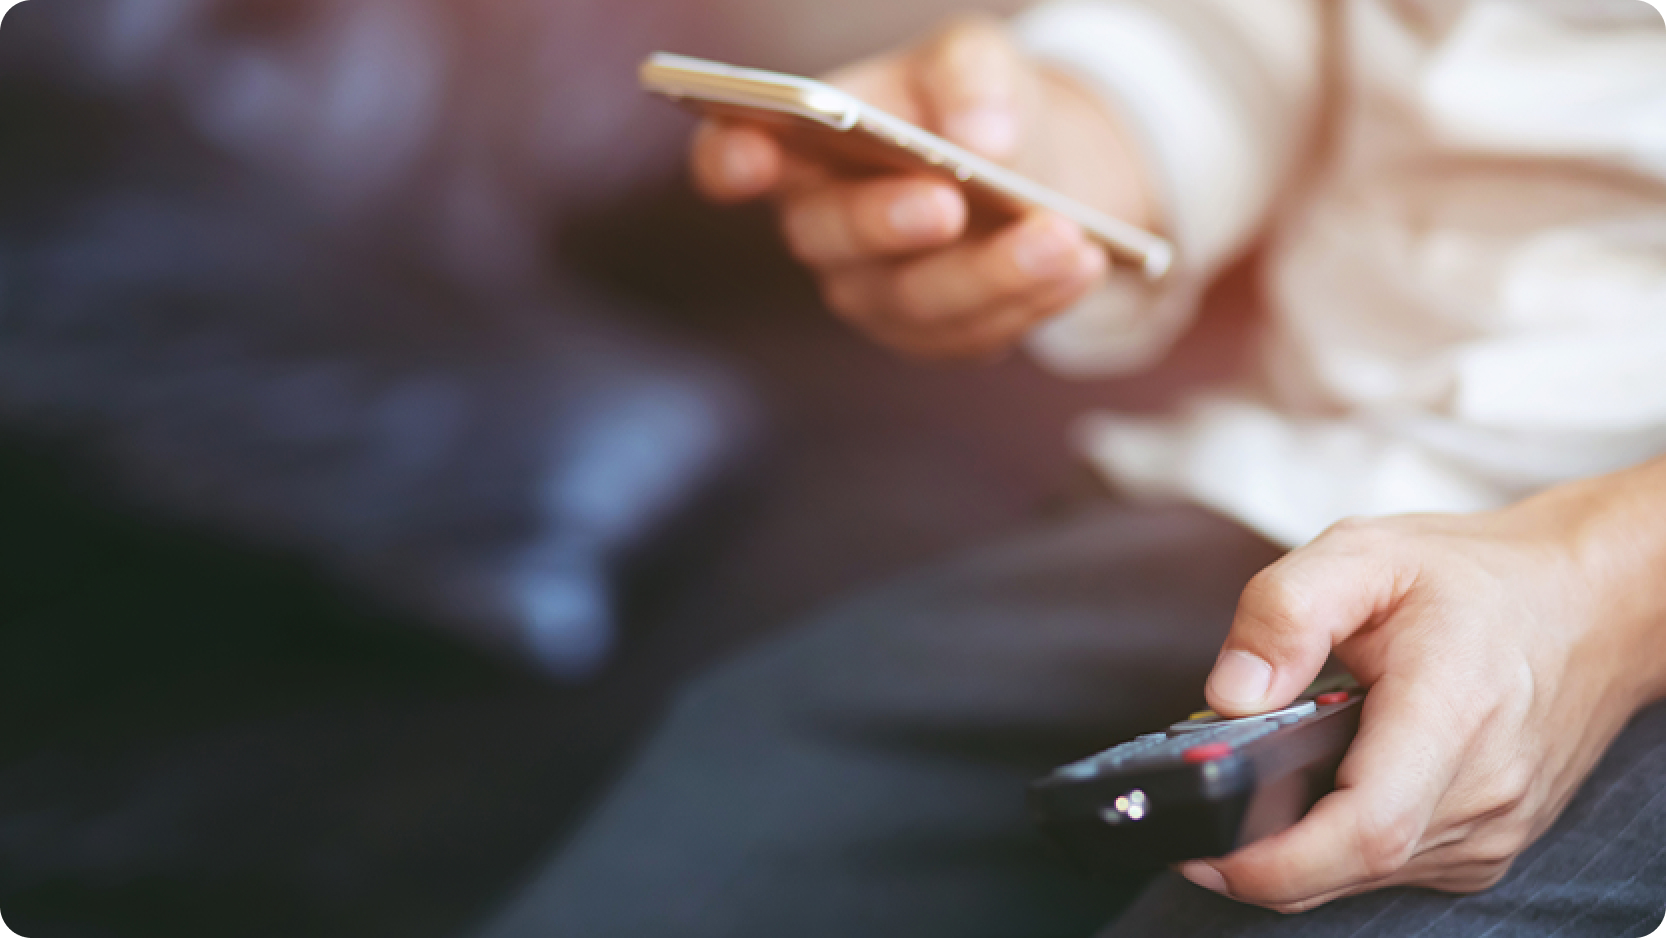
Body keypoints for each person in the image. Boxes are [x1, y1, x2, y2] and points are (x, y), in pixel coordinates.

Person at [478, 1, 1666, 935]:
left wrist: (1615, 582)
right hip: (1292, 484)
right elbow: (1270, 34)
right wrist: (1047, 145)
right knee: (734, 787)